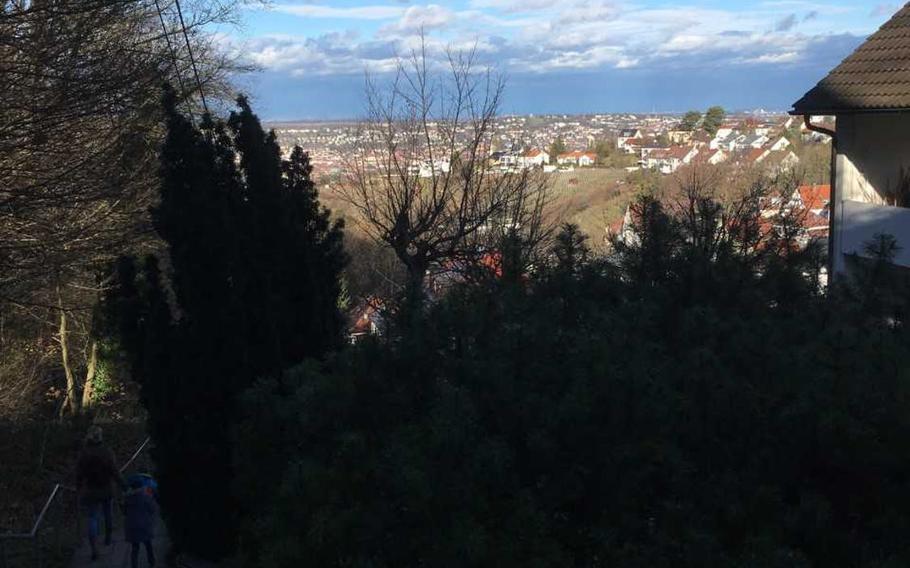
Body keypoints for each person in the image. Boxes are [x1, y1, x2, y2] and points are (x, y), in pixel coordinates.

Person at [75, 425, 122, 560]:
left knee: (92, 518)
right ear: (101, 437)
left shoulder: (84, 453)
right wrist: (123, 485)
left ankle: (94, 547)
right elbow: (115, 471)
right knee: (108, 514)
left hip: (91, 489)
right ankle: (108, 537)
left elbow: (79, 474)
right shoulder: (107, 451)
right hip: (106, 488)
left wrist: (78, 488)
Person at [123, 474, 158, 568]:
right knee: (148, 545)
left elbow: (125, 512)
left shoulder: (127, 498)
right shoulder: (146, 496)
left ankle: (134, 565)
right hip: (144, 525)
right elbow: (152, 509)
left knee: (135, 548)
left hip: (132, 527)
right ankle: (152, 562)